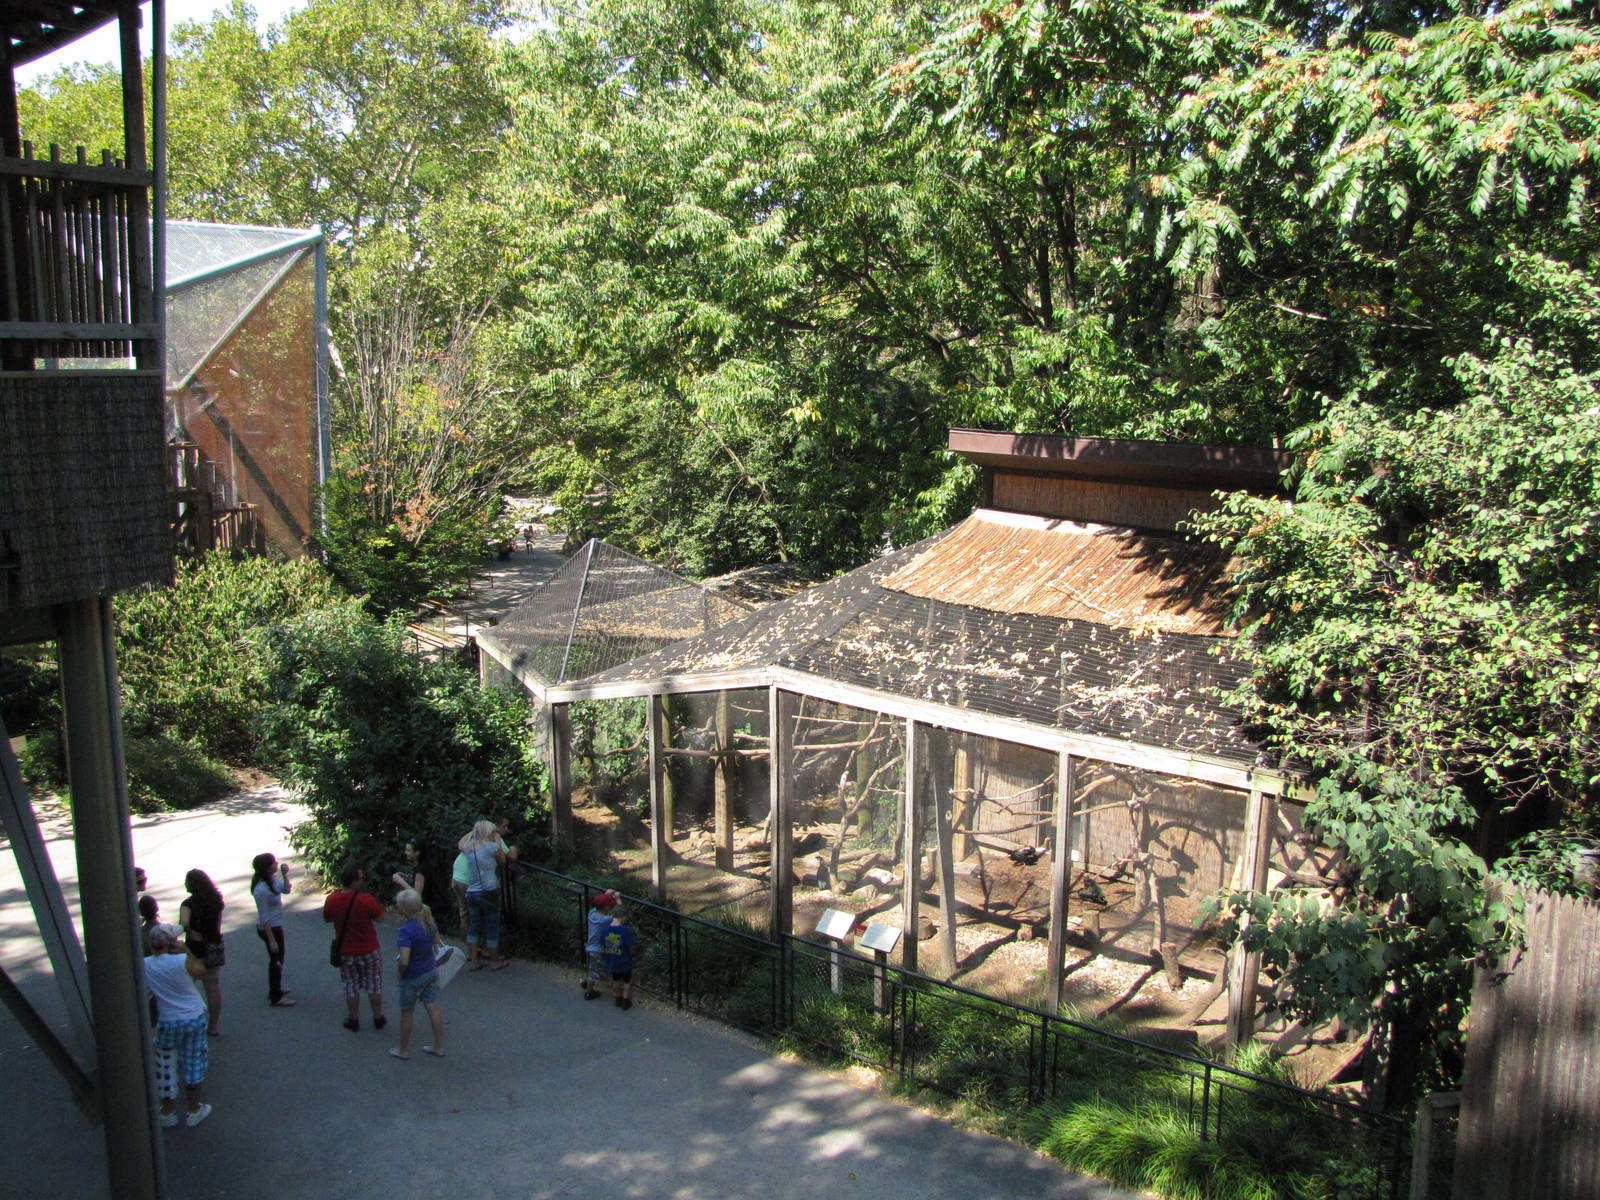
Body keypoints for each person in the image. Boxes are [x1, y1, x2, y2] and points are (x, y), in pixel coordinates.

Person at [143, 924, 212, 1126]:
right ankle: (193, 1109)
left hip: (167, 1020)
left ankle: (167, 1111)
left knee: (165, 1064)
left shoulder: (144, 964)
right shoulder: (182, 961)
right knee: (193, 1063)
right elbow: (200, 972)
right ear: (172, 942)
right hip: (193, 1016)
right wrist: (186, 951)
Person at [324, 863, 386, 1032]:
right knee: (374, 984)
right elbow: (380, 918)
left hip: (346, 951)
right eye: (360, 879)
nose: (362, 881)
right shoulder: (366, 899)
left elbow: (327, 918)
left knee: (350, 985)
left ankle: (353, 1019)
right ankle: (378, 1017)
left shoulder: (332, 899)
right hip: (369, 949)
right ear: (353, 881)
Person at [388, 888, 445, 1060]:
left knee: (407, 1011)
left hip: (412, 975)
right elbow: (436, 942)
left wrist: (400, 973)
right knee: (432, 1007)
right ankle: (438, 1046)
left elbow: (404, 960)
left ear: (403, 909)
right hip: (430, 970)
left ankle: (403, 1049)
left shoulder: (406, 930)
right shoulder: (427, 922)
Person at [178, 869, 226, 1036]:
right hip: (214, 946)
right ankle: (213, 1026)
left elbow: (184, 923)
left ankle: (187, 1022)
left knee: (186, 986)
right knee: (212, 986)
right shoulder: (216, 900)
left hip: (194, 949)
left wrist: (191, 932)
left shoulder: (188, 904)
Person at [458, 820, 508, 970]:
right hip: (489, 890)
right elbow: (503, 861)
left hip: (472, 891)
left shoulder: (469, 848)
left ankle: (473, 961)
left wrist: (472, 832)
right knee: (492, 926)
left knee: (474, 926)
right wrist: (497, 840)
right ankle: (494, 961)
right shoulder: (492, 847)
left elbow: (460, 843)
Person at [250, 852, 296, 1007]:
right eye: (274, 862)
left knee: (279, 958)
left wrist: (285, 874)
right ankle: (275, 997)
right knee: (275, 960)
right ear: (268, 867)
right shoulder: (261, 890)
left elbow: (286, 890)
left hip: (276, 925)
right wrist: (271, 940)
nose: (277, 863)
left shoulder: (272, 879)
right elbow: (264, 917)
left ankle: (276, 988)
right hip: (270, 928)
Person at [582, 890, 619, 1000]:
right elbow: (618, 916)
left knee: (591, 968)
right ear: (607, 907)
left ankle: (586, 982)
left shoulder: (591, 914)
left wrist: (607, 895)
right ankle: (589, 992)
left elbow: (601, 903)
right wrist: (617, 899)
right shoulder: (605, 920)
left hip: (589, 947)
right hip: (597, 950)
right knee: (594, 972)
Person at [601, 903, 638, 1010]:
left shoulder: (605, 930)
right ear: (623, 917)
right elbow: (630, 946)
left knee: (615, 979)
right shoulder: (624, 931)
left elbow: (602, 942)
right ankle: (625, 1000)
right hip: (624, 960)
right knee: (627, 980)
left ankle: (617, 998)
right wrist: (634, 952)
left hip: (612, 959)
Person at [391, 838, 426, 905]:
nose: (405, 853)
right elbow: (418, 881)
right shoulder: (418, 865)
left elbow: (417, 895)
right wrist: (404, 876)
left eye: (408, 850)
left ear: (417, 853)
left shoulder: (420, 871)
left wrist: (401, 881)